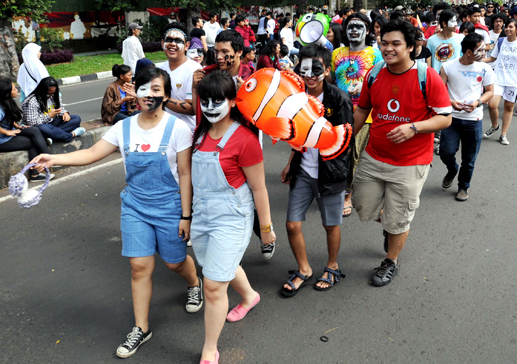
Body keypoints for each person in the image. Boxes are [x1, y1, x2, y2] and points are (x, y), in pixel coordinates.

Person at [30, 67, 202, 359]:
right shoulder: (123, 128)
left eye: (156, 89)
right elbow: (91, 154)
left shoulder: (179, 129)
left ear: (167, 94)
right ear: (136, 91)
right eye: (144, 88)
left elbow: (185, 174)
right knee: (139, 267)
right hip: (135, 206)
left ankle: (194, 282)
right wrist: (53, 159)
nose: (149, 94)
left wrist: (186, 216)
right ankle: (141, 328)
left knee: (174, 262)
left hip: (169, 206)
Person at [353, 19, 452, 287]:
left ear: (411, 47)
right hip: (373, 156)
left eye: (396, 43)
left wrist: (414, 128)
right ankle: (392, 225)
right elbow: (363, 109)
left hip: (410, 163)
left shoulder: (426, 76)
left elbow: (445, 118)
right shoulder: (373, 73)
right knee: (362, 206)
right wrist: (347, 137)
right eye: (383, 43)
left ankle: (391, 260)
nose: (388, 48)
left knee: (399, 219)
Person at [190, 70, 276, 364]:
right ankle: (250, 296)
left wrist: (265, 229)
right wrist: (186, 217)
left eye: (218, 100)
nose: (210, 107)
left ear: (232, 101)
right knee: (220, 267)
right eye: (205, 101)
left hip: (232, 216)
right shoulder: (199, 134)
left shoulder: (245, 140)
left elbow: (260, 188)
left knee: (213, 284)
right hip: (202, 214)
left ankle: (209, 349)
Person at [280, 44, 353, 296]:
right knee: (291, 224)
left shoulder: (339, 99)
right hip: (303, 171)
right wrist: (291, 162)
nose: (309, 74)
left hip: (330, 174)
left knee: (330, 224)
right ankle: (304, 268)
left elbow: (346, 141)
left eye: (316, 69)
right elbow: (295, 134)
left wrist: (343, 179)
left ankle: (332, 265)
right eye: (304, 69)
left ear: (327, 69)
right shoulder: (296, 97)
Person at [330, 12, 382, 218]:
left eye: (359, 27)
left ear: (367, 31)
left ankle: (348, 195)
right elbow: (333, 80)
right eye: (350, 26)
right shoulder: (337, 54)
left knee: (355, 153)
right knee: (340, 152)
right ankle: (339, 188)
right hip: (340, 111)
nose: (354, 30)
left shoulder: (375, 54)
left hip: (366, 113)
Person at [439, 33, 495, 201]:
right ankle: (452, 169)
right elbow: (440, 91)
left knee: (469, 158)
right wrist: (451, 101)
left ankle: (463, 186)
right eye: (480, 50)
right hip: (451, 118)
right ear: (468, 51)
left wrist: (478, 102)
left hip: (474, 120)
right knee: (445, 152)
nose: (484, 53)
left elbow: (490, 91)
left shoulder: (485, 68)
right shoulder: (448, 66)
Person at [483, 18, 517, 145]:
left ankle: (503, 134)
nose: (508, 29)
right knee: (492, 105)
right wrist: (478, 60)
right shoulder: (500, 41)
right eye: (507, 26)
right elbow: (492, 58)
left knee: (508, 108)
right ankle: (495, 125)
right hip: (498, 79)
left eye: (511, 27)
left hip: (514, 81)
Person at [0, 78, 52, 182]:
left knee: (33, 130)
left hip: (9, 135)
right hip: (2, 140)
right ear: (6, 92)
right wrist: (7, 132)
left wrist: (18, 126)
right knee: (32, 142)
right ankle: (36, 173)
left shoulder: (6, 102)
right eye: (14, 89)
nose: (16, 90)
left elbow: (8, 117)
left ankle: (48, 157)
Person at [155, 22, 202, 132]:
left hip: (187, 132)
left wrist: (158, 98)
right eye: (169, 40)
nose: (172, 44)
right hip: (163, 130)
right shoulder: (160, 69)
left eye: (178, 41)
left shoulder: (194, 70)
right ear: (162, 43)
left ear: (186, 46)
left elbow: (192, 109)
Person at [22, 77, 85, 144]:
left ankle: (52, 137)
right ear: (42, 90)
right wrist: (49, 116)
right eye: (49, 94)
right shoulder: (32, 102)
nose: (50, 96)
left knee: (76, 119)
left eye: (53, 93)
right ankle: (71, 134)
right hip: (41, 127)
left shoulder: (54, 96)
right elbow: (31, 123)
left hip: (54, 124)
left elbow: (60, 108)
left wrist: (65, 113)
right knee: (44, 128)